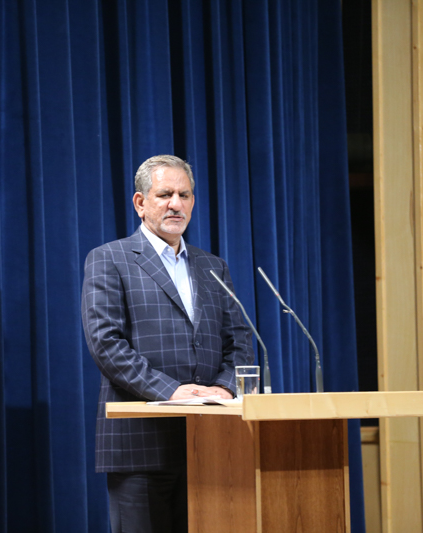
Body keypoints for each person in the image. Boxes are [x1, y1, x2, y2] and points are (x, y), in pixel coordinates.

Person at [81, 155, 254, 533]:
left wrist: (225, 388)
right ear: (140, 203)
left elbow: (239, 339)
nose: (176, 204)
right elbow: (106, 344)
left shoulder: (213, 266)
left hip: (212, 443)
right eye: (165, 195)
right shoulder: (110, 259)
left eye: (184, 195)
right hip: (141, 443)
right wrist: (172, 391)